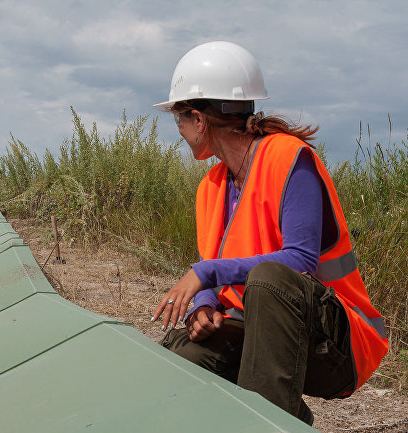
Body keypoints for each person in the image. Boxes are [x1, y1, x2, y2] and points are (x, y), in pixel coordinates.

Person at [150, 41, 387, 425]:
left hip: (338, 345)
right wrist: (204, 305)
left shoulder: (289, 159)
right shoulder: (210, 187)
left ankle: (266, 423)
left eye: (179, 120)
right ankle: (288, 414)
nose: (179, 131)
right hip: (257, 333)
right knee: (186, 360)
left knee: (269, 279)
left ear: (198, 118)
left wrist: (205, 274)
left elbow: (299, 260)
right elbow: (214, 262)